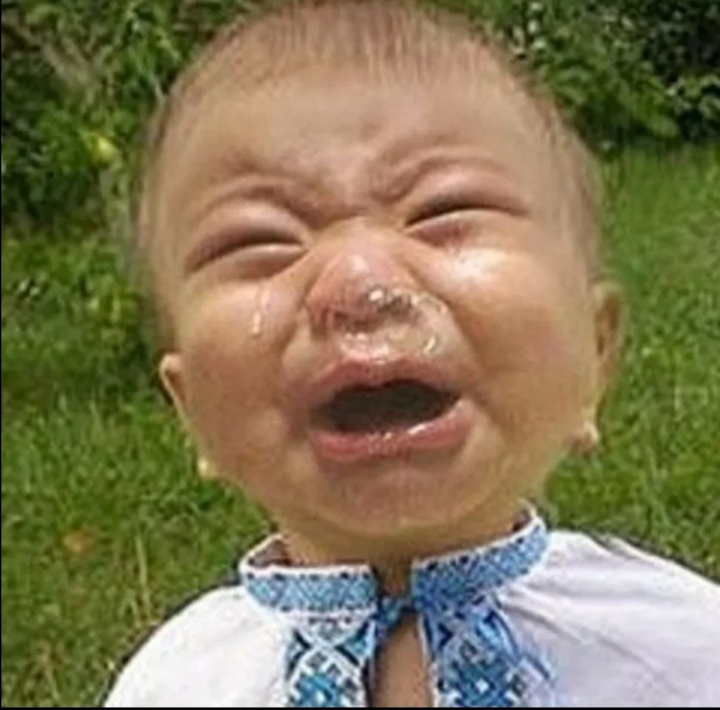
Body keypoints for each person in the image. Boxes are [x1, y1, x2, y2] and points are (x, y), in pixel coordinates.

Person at [105, 1, 720, 706]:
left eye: (443, 213)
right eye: (259, 243)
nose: (360, 284)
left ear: (594, 353)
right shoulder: (176, 685)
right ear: (192, 412)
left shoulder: (683, 657)